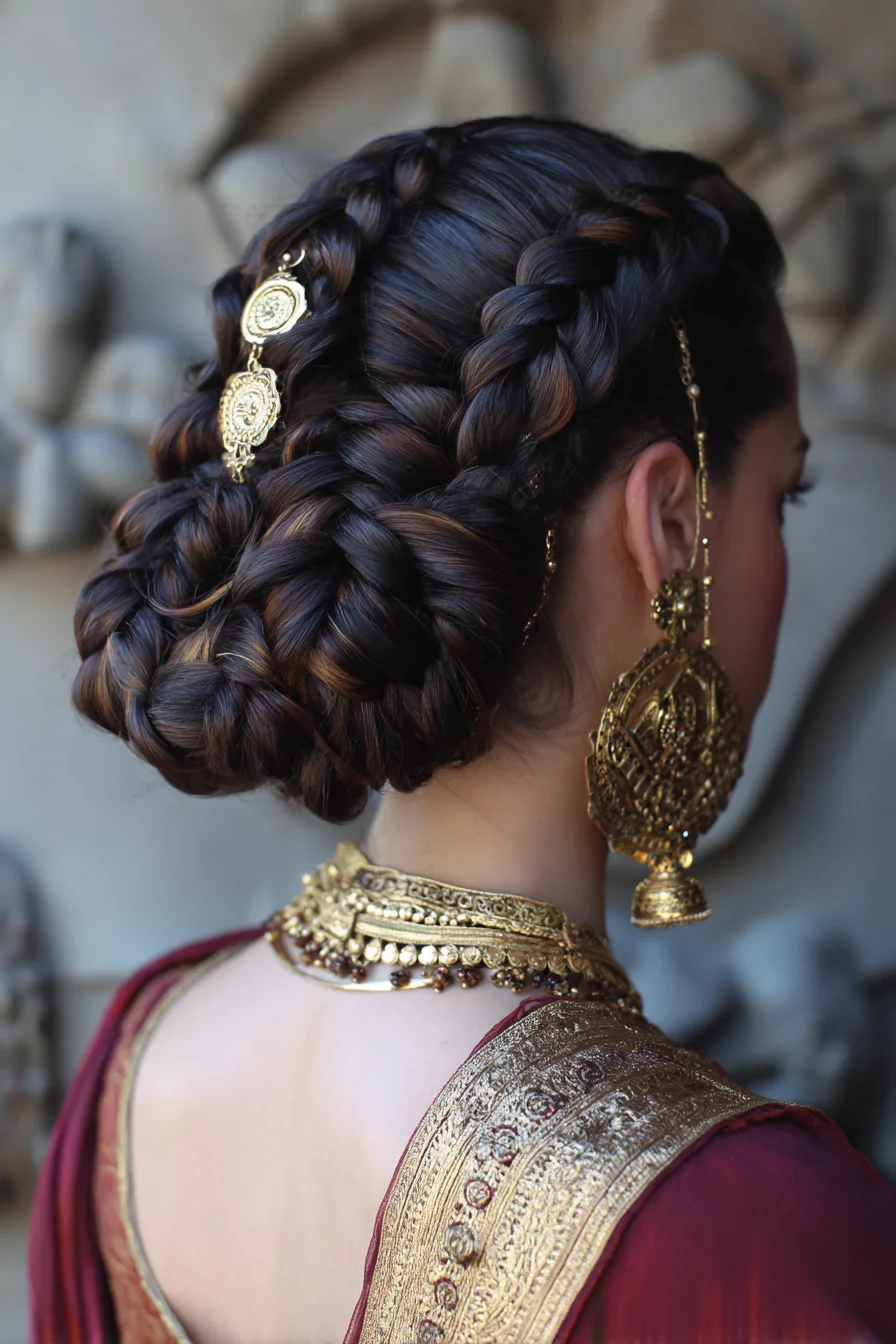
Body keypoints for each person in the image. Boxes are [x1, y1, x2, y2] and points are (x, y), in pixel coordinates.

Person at [29, 117, 896, 1343]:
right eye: (780, 494)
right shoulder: (736, 1229)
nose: (778, 548)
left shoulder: (137, 1064)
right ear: (667, 524)